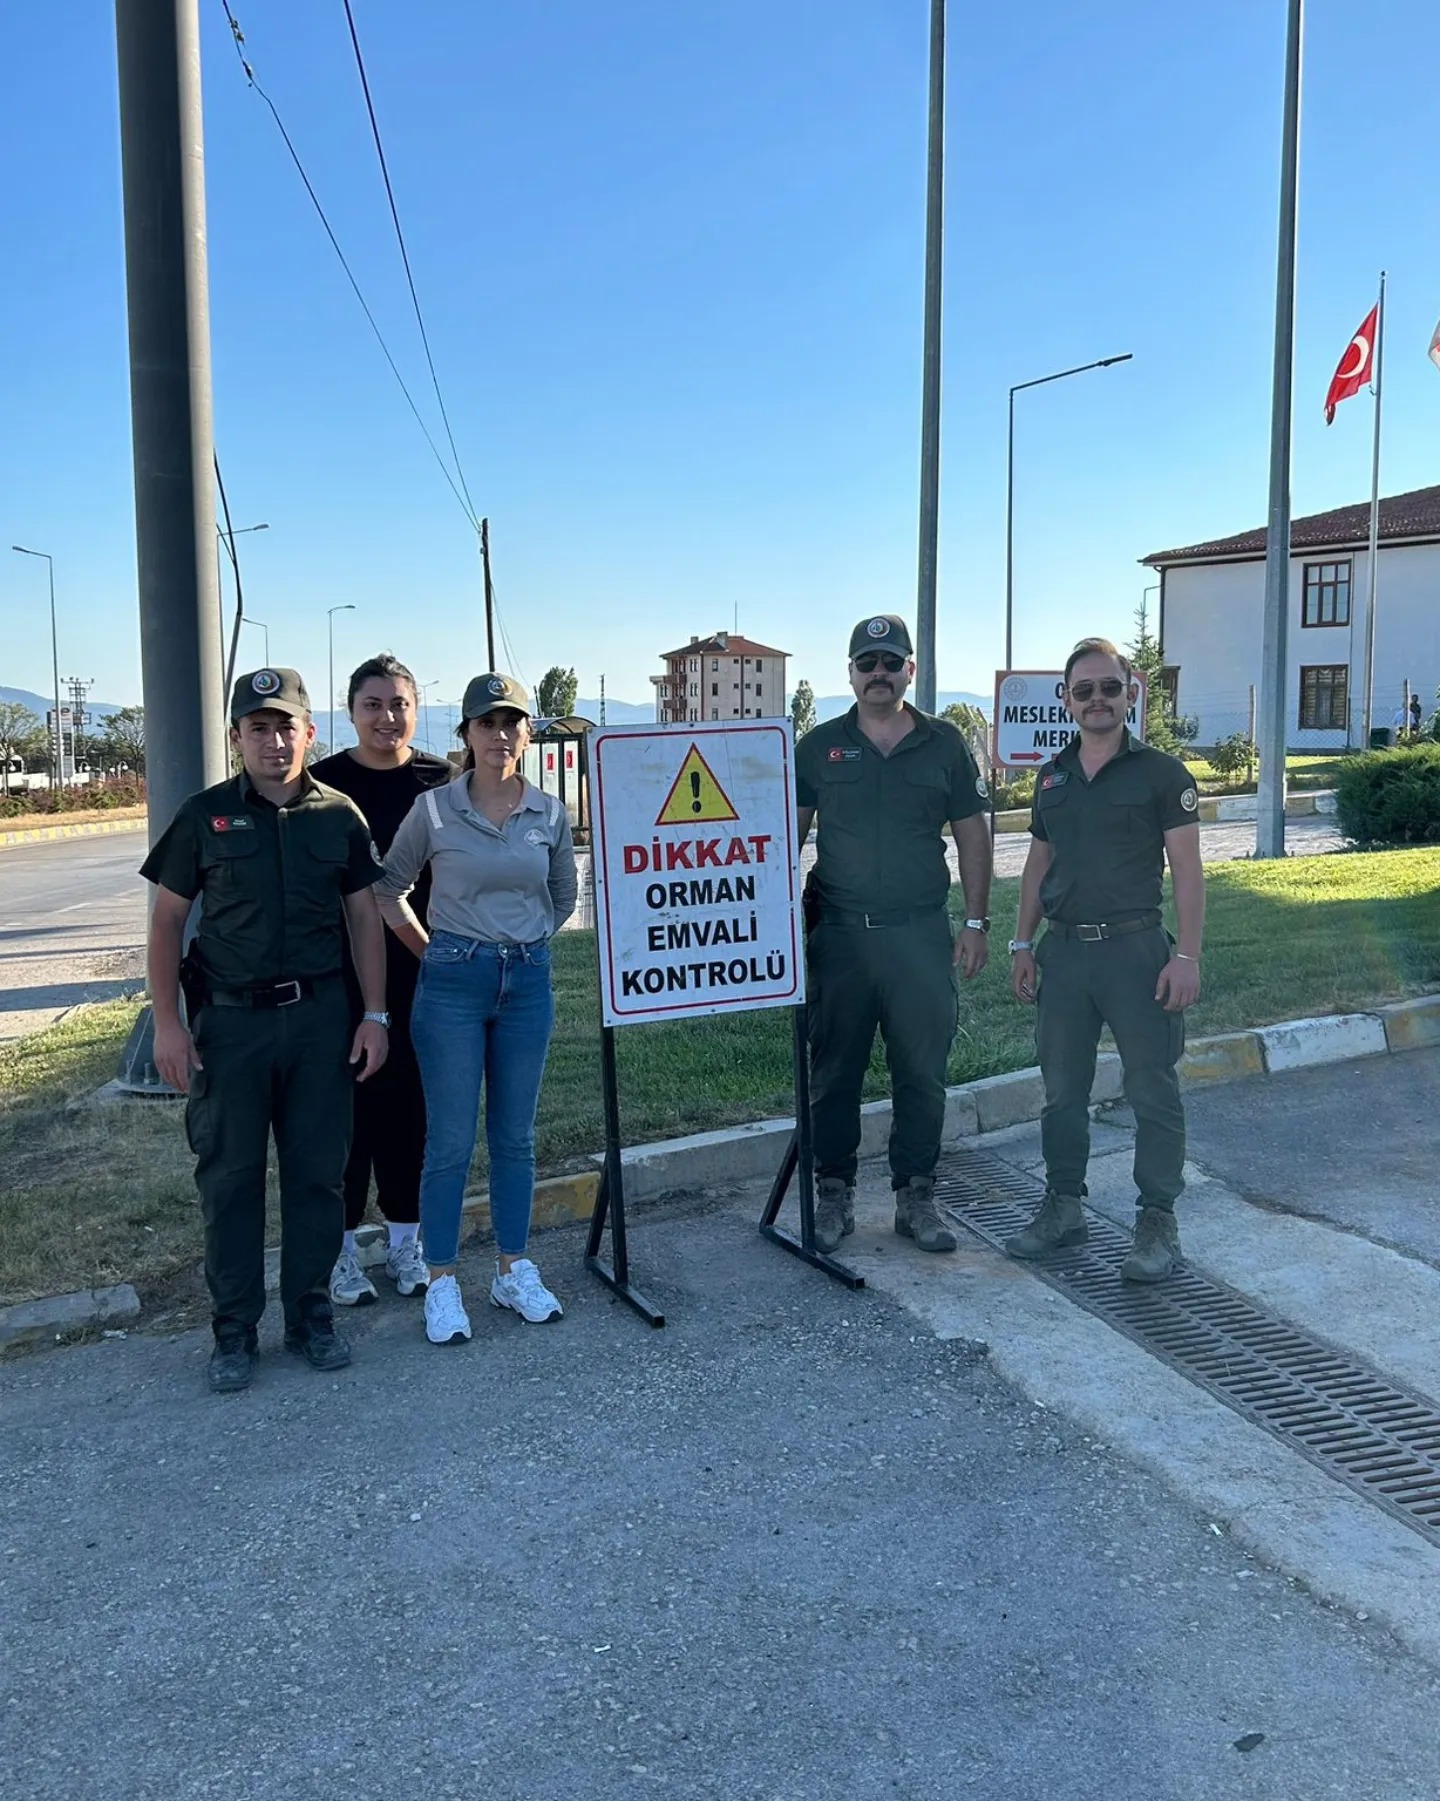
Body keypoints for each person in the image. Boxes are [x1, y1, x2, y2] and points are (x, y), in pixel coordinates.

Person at [142, 668, 390, 1393]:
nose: (274, 740)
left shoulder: (339, 815)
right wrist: (167, 1024)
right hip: (229, 1025)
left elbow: (363, 919)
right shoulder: (202, 816)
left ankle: (312, 1314)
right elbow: (165, 921)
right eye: (258, 727)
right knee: (230, 1178)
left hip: (319, 1022)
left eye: (286, 726)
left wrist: (374, 1014)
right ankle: (234, 1329)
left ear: (309, 733)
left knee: (318, 1175)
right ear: (237, 738)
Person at [376, 673, 577, 1346]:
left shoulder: (547, 813)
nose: (500, 735)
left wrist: (523, 943)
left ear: (527, 732)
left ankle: (513, 1266)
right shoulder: (433, 811)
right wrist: (434, 946)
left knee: (516, 1136)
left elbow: (562, 894)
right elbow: (389, 887)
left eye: (512, 722)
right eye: (486, 723)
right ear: (465, 733)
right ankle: (441, 1280)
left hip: (526, 982)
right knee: (451, 1141)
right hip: (453, 985)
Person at [1006, 637, 1204, 1283]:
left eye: (1108, 687)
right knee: (1062, 1091)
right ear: (1066, 699)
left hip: (1136, 951)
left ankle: (1157, 1222)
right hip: (1064, 953)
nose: (1097, 699)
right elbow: (1039, 861)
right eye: (1083, 689)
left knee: (1152, 1088)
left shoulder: (1163, 773)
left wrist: (1187, 954)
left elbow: (1188, 870)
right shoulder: (1053, 774)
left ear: (1130, 691)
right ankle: (1063, 1206)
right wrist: (1021, 942)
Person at [794, 614, 993, 1256]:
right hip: (842, 940)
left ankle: (917, 1195)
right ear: (850, 673)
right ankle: (834, 1196)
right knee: (835, 1074)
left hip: (919, 937)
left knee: (921, 1072)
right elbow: (784, 839)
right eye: (866, 662)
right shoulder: (818, 746)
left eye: (890, 661)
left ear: (911, 669)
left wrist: (975, 922)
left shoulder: (944, 745)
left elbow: (972, 838)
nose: (878, 674)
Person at [311, 654, 451, 1307]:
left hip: (425, 971)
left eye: (398, 703)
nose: (387, 717)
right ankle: (342, 1255)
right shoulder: (323, 785)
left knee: (410, 1115)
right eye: (373, 704)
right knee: (349, 1119)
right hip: (341, 979)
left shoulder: (443, 781)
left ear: (415, 710)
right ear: (351, 711)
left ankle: (404, 1245)